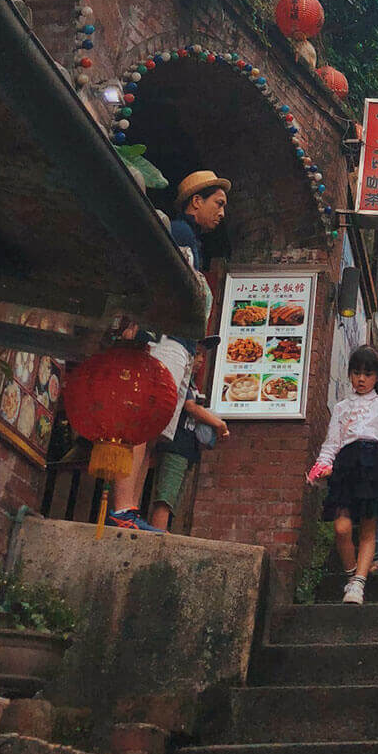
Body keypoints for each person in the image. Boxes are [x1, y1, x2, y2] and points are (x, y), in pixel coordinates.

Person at [110, 170, 229, 531]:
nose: (222, 212)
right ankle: (122, 509)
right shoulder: (178, 233)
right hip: (164, 339)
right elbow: (161, 282)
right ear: (196, 201)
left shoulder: (195, 241)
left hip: (182, 345)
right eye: (218, 203)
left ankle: (130, 508)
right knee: (141, 422)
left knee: (155, 432)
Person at [307, 345, 378, 605]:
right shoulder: (341, 407)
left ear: (377, 376)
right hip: (347, 464)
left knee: (369, 530)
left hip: (373, 464)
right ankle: (352, 577)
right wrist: (322, 465)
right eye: (356, 373)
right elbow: (332, 442)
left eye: (368, 374)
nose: (361, 379)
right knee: (342, 527)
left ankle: (358, 583)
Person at [149, 346, 229, 532]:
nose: (200, 359)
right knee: (167, 494)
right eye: (196, 354)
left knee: (175, 495)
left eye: (202, 355)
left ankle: (163, 531)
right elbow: (191, 407)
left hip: (186, 447)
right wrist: (219, 424)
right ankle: (157, 532)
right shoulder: (179, 379)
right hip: (175, 445)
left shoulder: (192, 383)